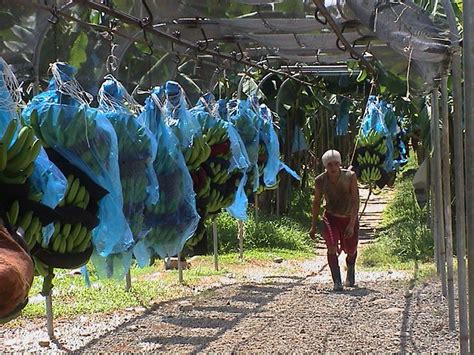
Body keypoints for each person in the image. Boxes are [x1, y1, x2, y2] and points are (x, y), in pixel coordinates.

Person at [309, 150, 359, 291]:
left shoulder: (350, 177)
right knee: (331, 247)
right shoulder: (320, 181)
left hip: (349, 217)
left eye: (336, 164)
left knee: (351, 249)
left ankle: (350, 265)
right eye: (329, 164)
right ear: (325, 166)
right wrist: (313, 225)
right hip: (330, 218)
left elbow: (355, 201)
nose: (333, 167)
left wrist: (351, 224)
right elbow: (316, 203)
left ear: (340, 164)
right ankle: (337, 281)